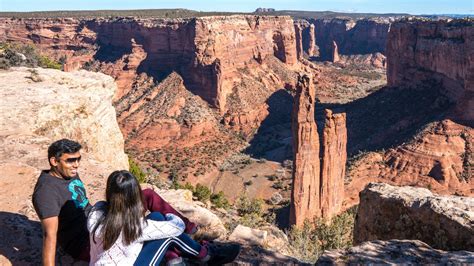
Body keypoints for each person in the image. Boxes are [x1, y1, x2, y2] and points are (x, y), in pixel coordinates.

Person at [32, 139, 199, 265]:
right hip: (86, 242)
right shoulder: (46, 193)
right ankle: (185, 250)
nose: (76, 165)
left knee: (147, 194)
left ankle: (189, 229)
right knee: (155, 228)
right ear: (54, 162)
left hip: (98, 222)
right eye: (70, 160)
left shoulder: (67, 172)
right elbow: (49, 236)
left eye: (78, 159)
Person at [88, 170, 240, 265]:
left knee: (155, 216)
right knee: (169, 235)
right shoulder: (135, 227)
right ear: (135, 197)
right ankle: (207, 256)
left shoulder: (95, 215)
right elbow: (177, 227)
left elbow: (102, 205)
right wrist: (168, 216)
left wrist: (158, 217)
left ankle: (173, 258)